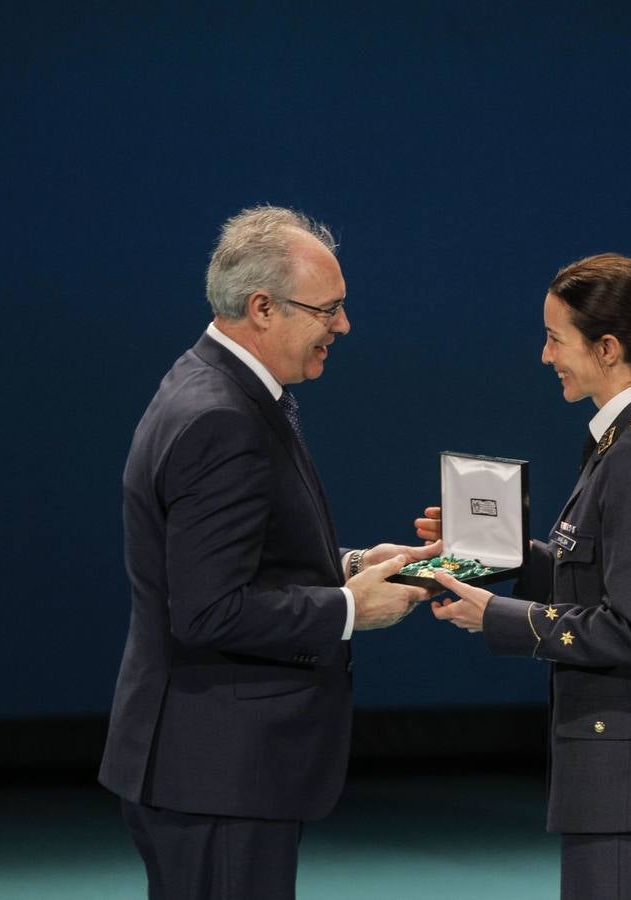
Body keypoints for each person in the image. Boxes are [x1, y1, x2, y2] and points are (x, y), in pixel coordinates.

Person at [99, 205, 438, 900]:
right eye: (328, 310)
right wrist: (349, 609)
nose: (342, 327)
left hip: (209, 767)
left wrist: (347, 564)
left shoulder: (212, 384)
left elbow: (238, 558)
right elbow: (209, 610)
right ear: (262, 307)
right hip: (217, 773)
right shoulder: (222, 417)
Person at [420, 253, 631, 899]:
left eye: (556, 338)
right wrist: (492, 551)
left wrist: (493, 616)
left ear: (609, 347)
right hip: (628, 775)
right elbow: (594, 572)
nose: (545, 355)